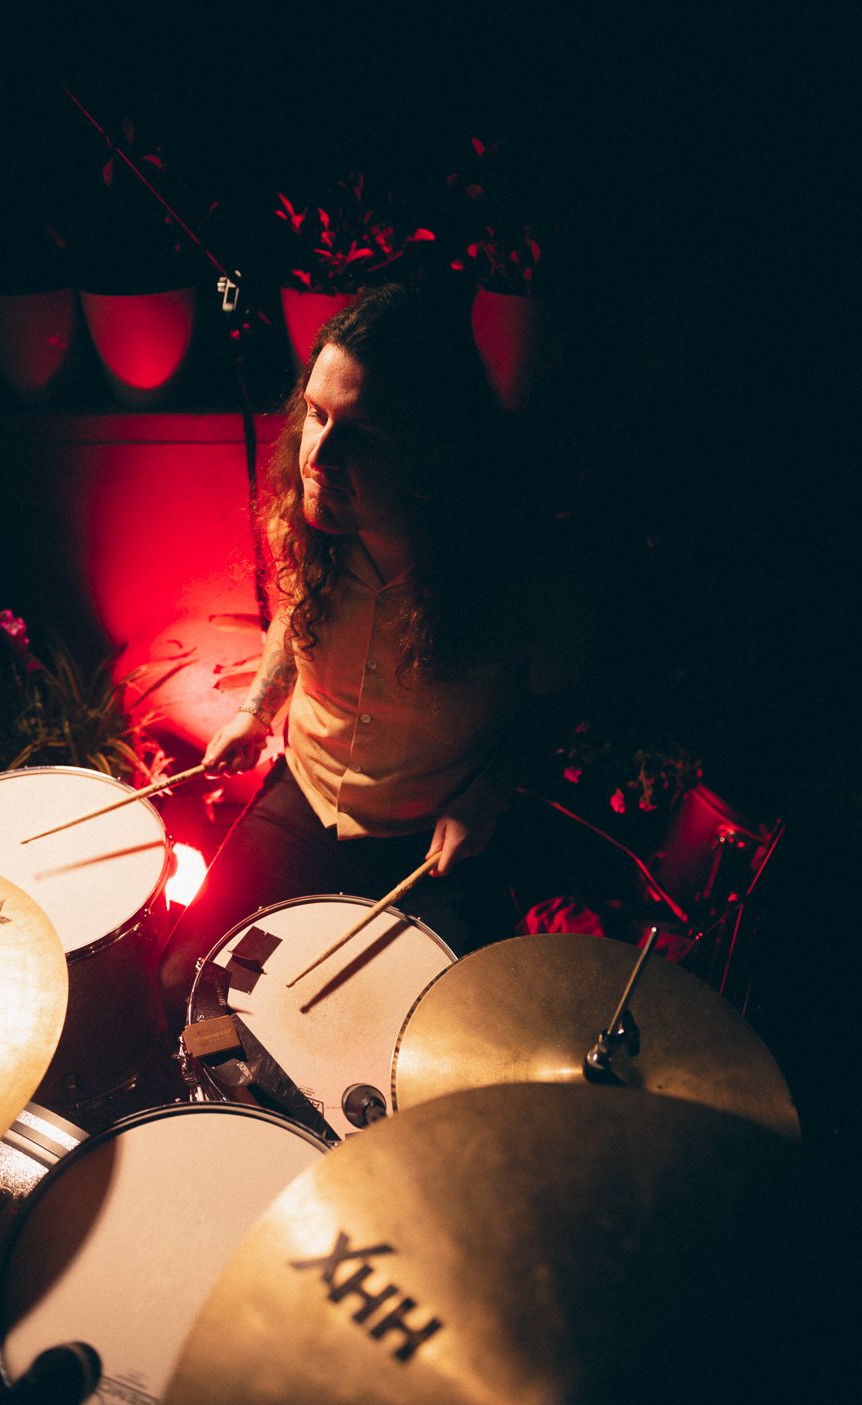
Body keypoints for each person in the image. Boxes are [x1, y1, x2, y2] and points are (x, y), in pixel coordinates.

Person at [159, 280, 600, 1033]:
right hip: (304, 799)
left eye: (362, 434)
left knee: (431, 1044)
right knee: (189, 987)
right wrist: (256, 710)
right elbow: (296, 620)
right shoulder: (302, 531)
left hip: (430, 840)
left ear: (438, 452)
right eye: (318, 416)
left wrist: (484, 797)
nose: (319, 455)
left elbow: (555, 703)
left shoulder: (524, 583)